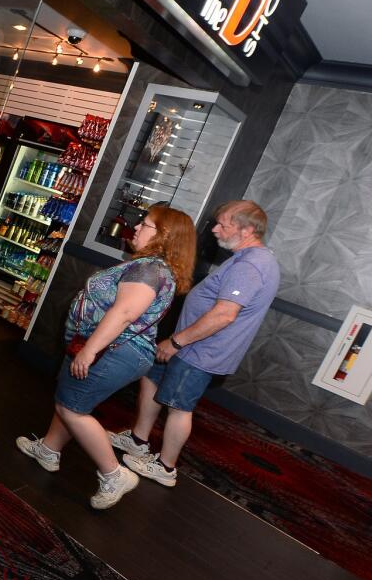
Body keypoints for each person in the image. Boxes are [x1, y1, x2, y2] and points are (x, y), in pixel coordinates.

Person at [16, 206, 196, 510]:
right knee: (71, 398)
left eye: (146, 224)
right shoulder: (153, 267)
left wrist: (91, 349)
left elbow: (123, 314)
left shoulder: (149, 269)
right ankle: (49, 449)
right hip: (107, 347)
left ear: (163, 236)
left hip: (114, 349)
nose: (136, 228)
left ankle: (114, 474)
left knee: (71, 408)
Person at [110, 201, 279, 487]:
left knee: (179, 406)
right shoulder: (248, 257)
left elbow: (224, 315)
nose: (214, 229)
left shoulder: (251, 265)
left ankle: (166, 467)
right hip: (191, 344)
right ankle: (138, 440)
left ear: (248, 229)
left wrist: (176, 342)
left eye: (223, 224)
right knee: (151, 380)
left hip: (201, 351)